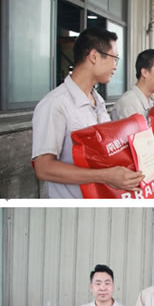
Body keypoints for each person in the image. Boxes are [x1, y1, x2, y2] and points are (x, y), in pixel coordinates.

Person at [31, 27, 144, 198]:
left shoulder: (98, 102)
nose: (115, 66)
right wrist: (105, 176)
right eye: (114, 58)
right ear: (94, 56)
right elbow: (43, 168)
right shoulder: (55, 104)